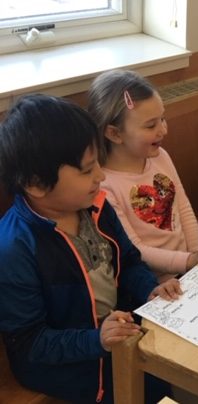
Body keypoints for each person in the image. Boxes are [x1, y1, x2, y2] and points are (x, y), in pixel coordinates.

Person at [0, 94, 183, 403]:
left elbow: (129, 262)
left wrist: (149, 290)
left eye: (98, 162)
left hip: (114, 329)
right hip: (70, 362)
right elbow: (30, 343)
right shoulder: (15, 247)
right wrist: (96, 339)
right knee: (133, 387)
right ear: (35, 183)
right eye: (87, 170)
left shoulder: (96, 205)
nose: (100, 175)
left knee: (159, 378)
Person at [87, 70, 198, 282]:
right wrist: (189, 261)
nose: (163, 130)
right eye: (151, 125)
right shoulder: (104, 184)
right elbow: (135, 250)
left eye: (163, 118)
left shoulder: (160, 157)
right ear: (114, 133)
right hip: (152, 284)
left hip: (188, 268)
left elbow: (183, 208)